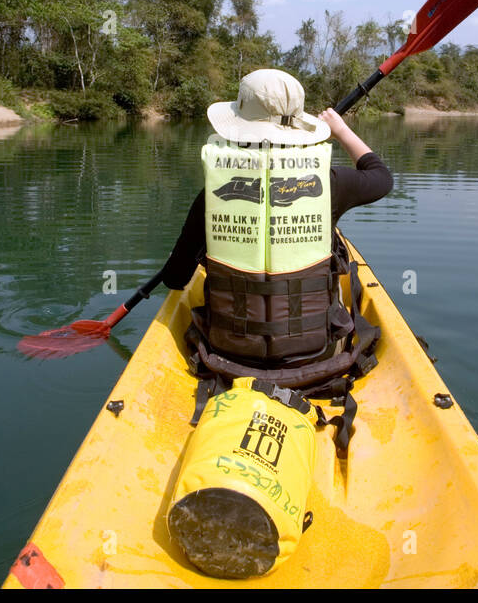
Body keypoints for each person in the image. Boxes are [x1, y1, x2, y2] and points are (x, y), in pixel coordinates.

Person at [160, 68, 393, 382]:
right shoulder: (330, 184)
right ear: (298, 125)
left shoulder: (215, 193)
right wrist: (341, 130)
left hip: (227, 355)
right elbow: (381, 178)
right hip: (318, 355)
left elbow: (176, 279)